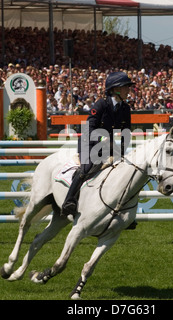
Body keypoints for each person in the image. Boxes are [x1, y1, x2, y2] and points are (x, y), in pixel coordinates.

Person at [61, 71, 134, 217]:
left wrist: (122, 151)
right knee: (87, 167)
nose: (128, 90)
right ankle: (69, 202)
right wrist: (102, 139)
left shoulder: (125, 108)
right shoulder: (101, 104)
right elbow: (90, 127)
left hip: (108, 145)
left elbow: (126, 132)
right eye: (125, 87)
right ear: (115, 89)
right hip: (90, 142)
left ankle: (123, 210)